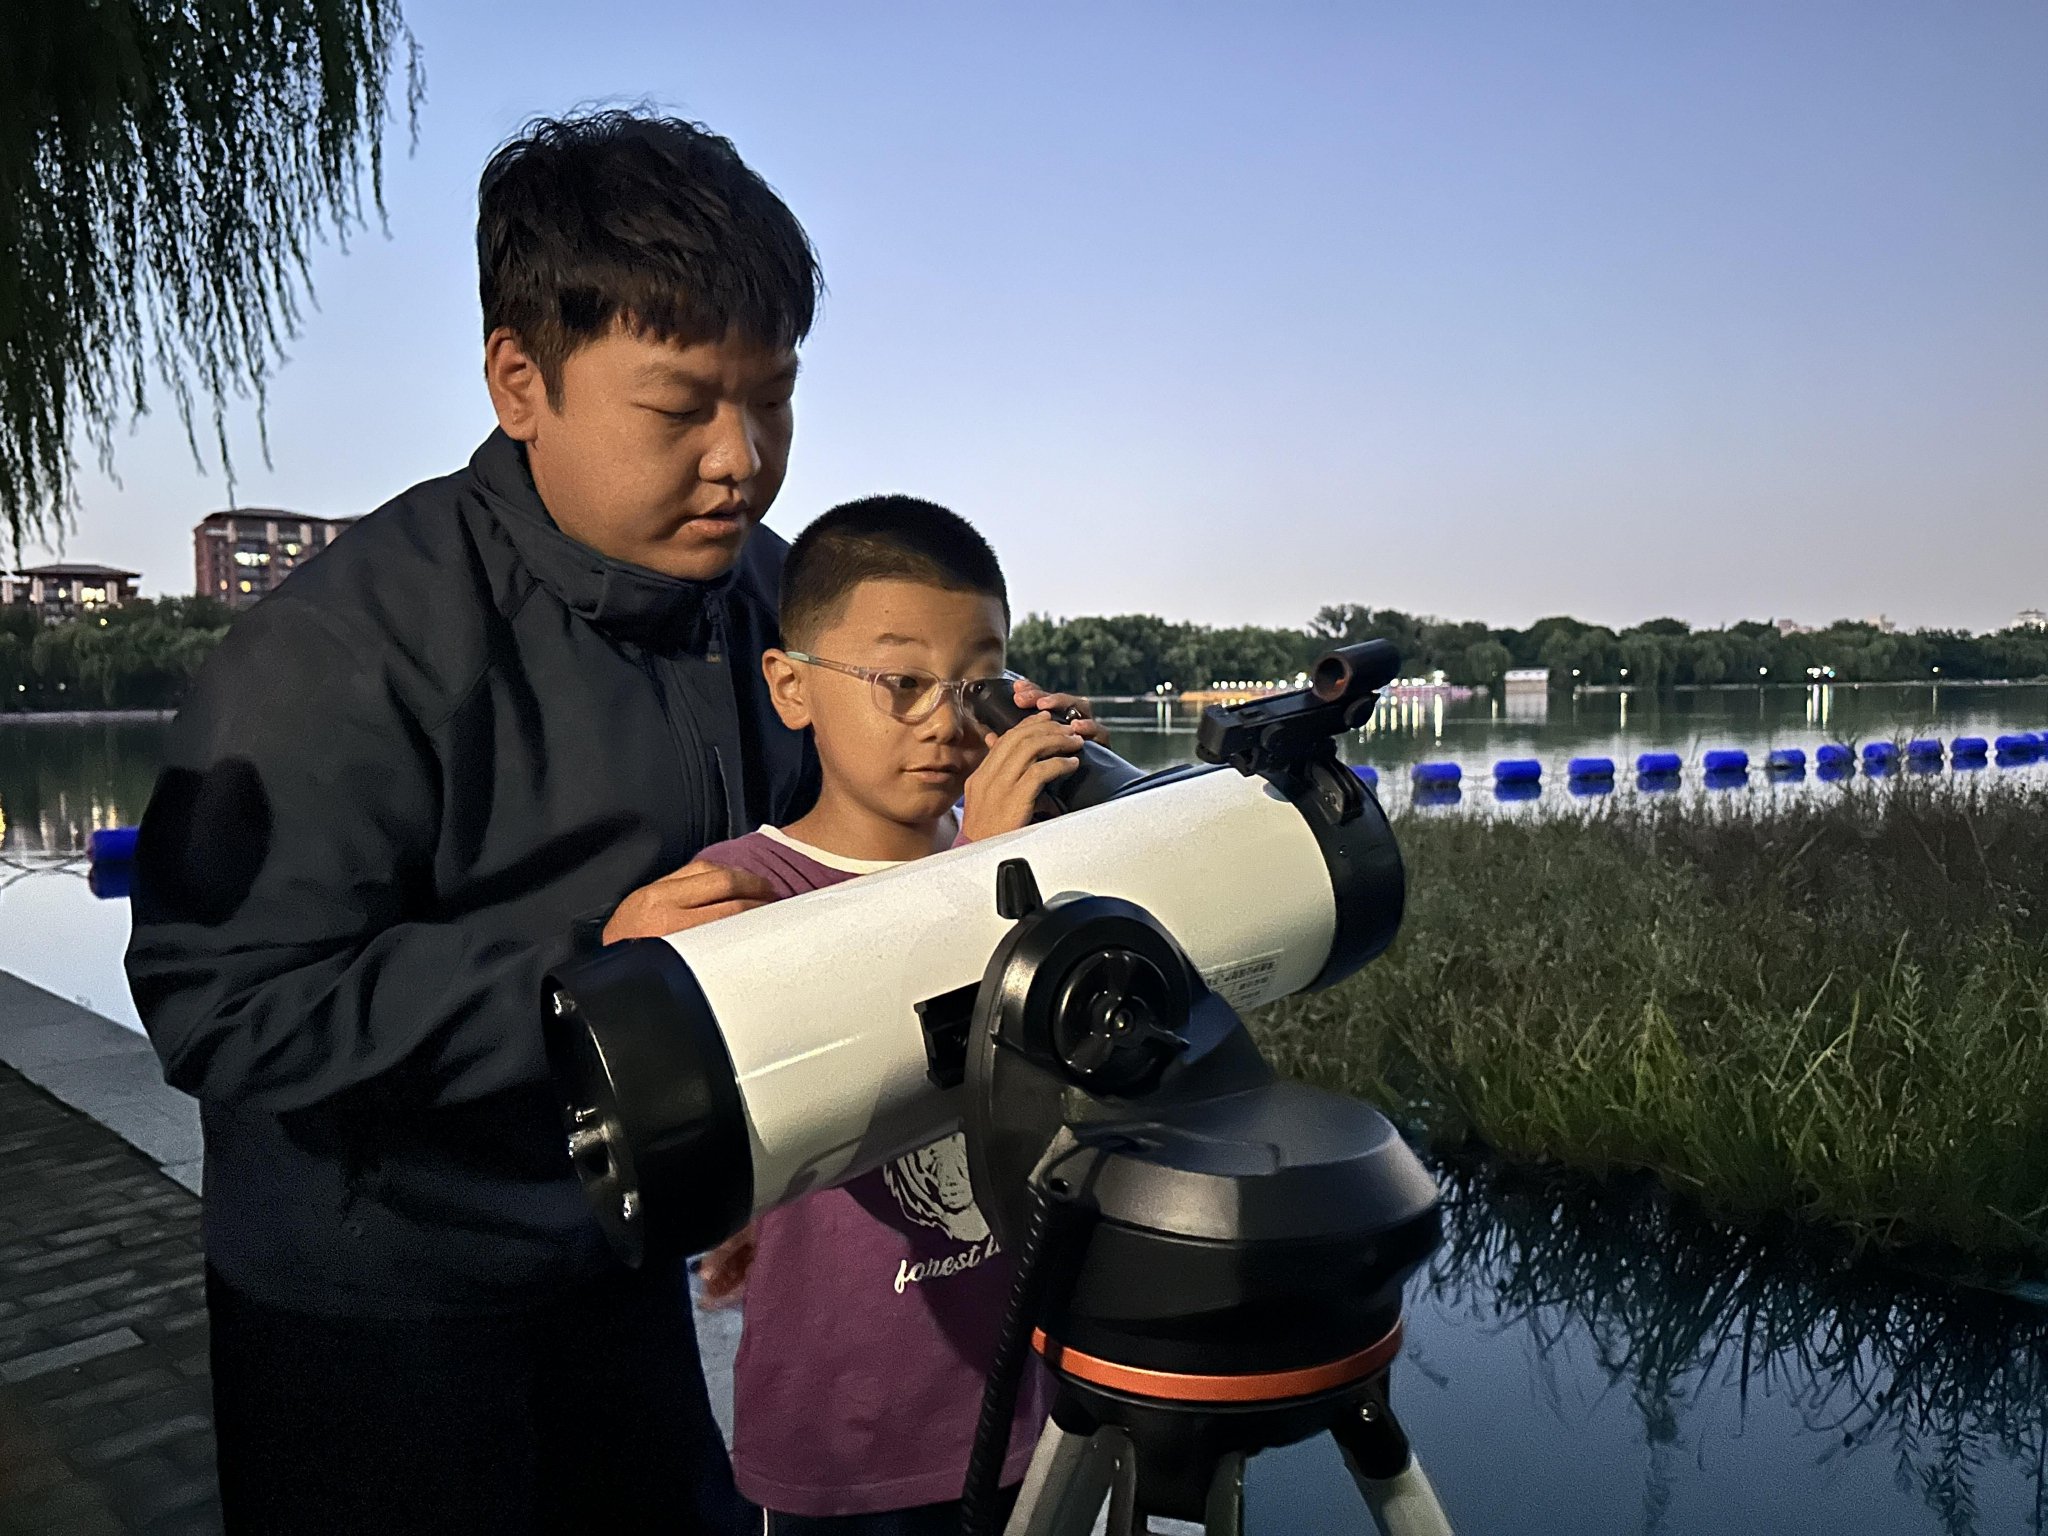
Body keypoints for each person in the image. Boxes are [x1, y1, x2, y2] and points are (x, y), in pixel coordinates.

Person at [127, 109, 855, 1534]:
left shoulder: (773, 600)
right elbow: (221, 1007)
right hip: (374, 1299)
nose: (743, 456)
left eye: (773, 398)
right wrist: (589, 974)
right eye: (682, 406)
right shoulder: (337, 652)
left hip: (616, 1251)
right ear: (521, 381)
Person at [690, 494, 1089, 1536]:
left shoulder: (1032, 856)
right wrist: (980, 874)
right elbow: (846, 1078)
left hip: (1036, 1411)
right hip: (845, 1443)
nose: (943, 722)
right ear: (790, 687)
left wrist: (1096, 825)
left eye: (977, 687)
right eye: (900, 684)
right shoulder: (745, 894)